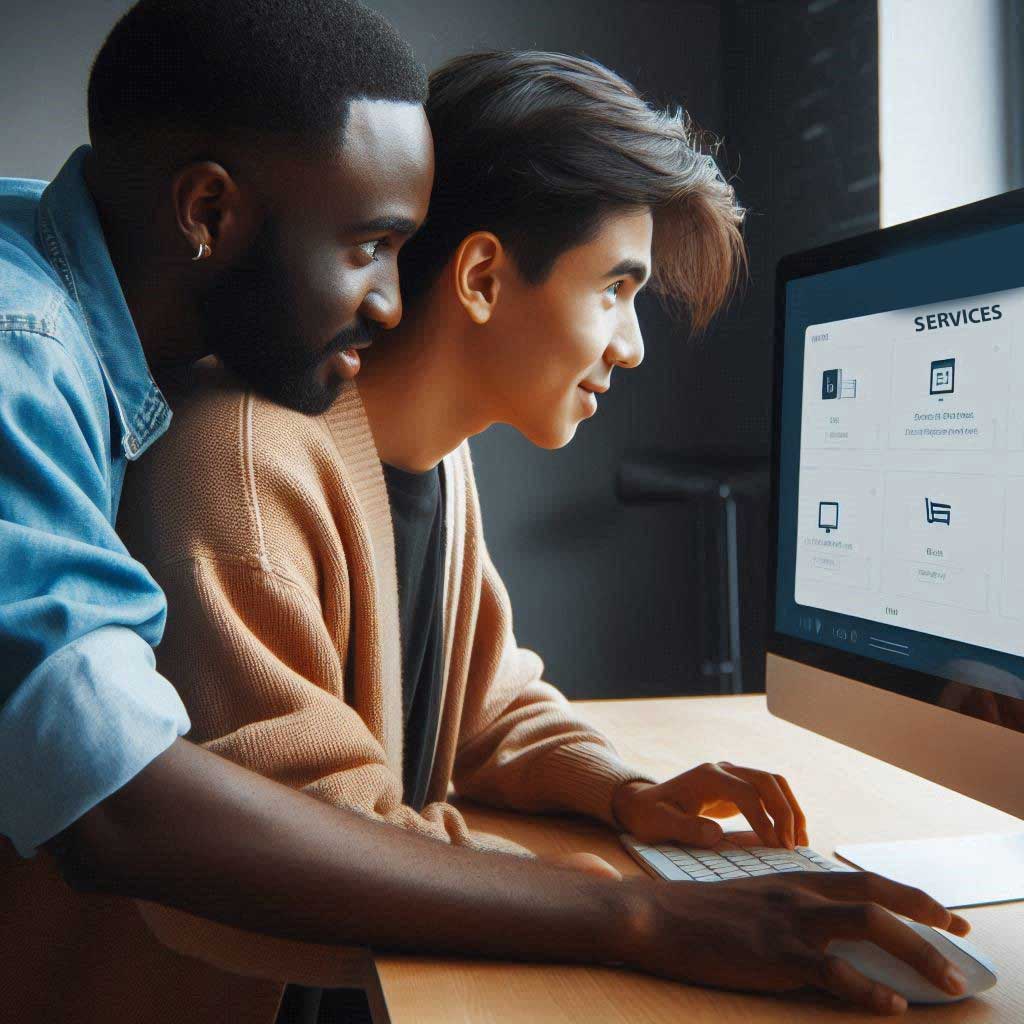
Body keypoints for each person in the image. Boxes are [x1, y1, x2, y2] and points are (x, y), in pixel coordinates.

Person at [111, 49, 971, 1022]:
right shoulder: (244, 459)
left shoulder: (435, 454)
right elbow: (313, 834)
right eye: (615, 287)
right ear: (481, 276)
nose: (632, 342)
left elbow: (486, 703)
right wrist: (643, 909)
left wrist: (625, 792)